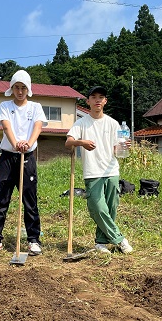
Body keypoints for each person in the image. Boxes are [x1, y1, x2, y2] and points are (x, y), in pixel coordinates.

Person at [0, 70, 47, 257]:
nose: (20, 91)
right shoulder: (5, 105)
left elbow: (38, 127)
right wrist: (15, 144)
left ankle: (33, 240)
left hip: (27, 157)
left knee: (30, 200)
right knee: (1, 199)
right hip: (8, 157)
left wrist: (27, 144)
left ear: (29, 89)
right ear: (11, 89)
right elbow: (6, 126)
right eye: (17, 88)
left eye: (23, 88)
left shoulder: (35, 107)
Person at [65, 85, 133, 255]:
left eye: (101, 97)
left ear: (105, 101)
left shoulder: (113, 123)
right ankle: (119, 239)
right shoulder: (81, 123)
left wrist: (124, 147)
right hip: (92, 172)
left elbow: (117, 151)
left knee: (111, 208)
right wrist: (82, 142)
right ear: (88, 101)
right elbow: (68, 142)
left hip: (111, 170)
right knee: (97, 207)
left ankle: (100, 242)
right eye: (93, 97)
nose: (97, 100)